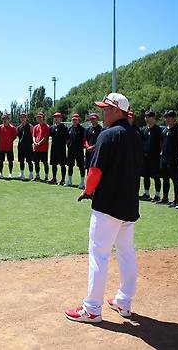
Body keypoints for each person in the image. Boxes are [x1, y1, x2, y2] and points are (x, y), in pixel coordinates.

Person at [65, 92, 142, 323]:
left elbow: (95, 172)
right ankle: (124, 301)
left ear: (118, 111)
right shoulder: (136, 134)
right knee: (126, 253)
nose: (102, 112)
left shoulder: (107, 135)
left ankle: (92, 309)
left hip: (108, 206)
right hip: (129, 205)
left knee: (99, 255)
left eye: (106, 109)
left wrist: (88, 191)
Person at [159, 110, 178, 206]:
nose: (167, 119)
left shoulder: (177, 130)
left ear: (174, 119)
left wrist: (177, 154)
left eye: (169, 117)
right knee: (165, 178)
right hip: (164, 157)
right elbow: (161, 143)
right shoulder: (164, 130)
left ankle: (176, 200)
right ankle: (165, 197)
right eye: (166, 117)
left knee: (174, 179)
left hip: (173, 158)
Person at [139, 110, 162, 202]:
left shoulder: (158, 130)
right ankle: (147, 193)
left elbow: (161, 143)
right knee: (145, 176)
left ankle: (157, 194)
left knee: (156, 176)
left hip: (155, 157)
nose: (147, 119)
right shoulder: (144, 130)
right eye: (146, 117)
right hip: (145, 157)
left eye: (149, 117)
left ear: (153, 118)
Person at [67, 113, 86, 189]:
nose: (74, 121)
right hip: (71, 151)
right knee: (70, 166)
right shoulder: (69, 129)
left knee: (81, 166)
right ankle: (70, 181)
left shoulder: (82, 129)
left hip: (79, 151)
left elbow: (84, 139)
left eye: (76, 120)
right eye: (73, 119)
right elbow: (67, 139)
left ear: (78, 120)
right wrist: (68, 145)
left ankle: (82, 183)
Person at [49, 112, 69, 185]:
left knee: (62, 165)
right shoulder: (52, 127)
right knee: (54, 164)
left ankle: (63, 180)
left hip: (61, 149)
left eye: (57, 117)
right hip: (54, 149)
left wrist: (66, 147)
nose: (56, 119)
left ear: (61, 118)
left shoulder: (64, 127)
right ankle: (54, 179)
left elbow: (68, 139)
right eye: (55, 117)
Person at [0, 114, 17, 178]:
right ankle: (0, 173)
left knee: (10, 161)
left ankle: (10, 173)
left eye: (6, 119)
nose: (5, 120)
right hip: (1, 147)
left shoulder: (12, 128)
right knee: (1, 161)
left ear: (8, 119)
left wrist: (9, 141)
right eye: (3, 119)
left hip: (9, 147)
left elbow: (14, 136)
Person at [31, 112, 50, 181]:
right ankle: (37, 176)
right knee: (36, 162)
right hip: (36, 148)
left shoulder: (47, 127)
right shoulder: (35, 127)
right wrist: (35, 142)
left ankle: (46, 177)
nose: (39, 118)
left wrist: (39, 143)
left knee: (45, 163)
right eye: (38, 117)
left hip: (43, 149)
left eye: (40, 117)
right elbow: (33, 136)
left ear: (43, 118)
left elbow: (45, 137)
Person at [16, 112, 33, 180]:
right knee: (21, 161)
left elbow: (33, 136)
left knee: (29, 161)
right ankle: (22, 173)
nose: (22, 118)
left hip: (28, 146)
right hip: (20, 146)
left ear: (26, 118)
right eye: (21, 117)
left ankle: (31, 174)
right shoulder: (18, 127)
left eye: (24, 117)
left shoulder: (30, 126)